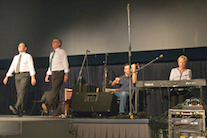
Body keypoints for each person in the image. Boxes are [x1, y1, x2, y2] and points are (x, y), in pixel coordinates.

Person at [3, 42, 36, 116]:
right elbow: (12, 67)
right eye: (19, 46)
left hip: (25, 75)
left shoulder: (28, 56)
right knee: (19, 94)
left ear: (25, 48)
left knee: (21, 92)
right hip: (17, 75)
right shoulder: (16, 57)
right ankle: (21, 111)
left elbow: (31, 67)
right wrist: (7, 76)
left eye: (21, 46)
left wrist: (32, 77)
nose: (19, 47)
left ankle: (16, 107)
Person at [44, 38, 69, 116]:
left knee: (54, 91)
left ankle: (47, 105)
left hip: (59, 72)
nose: (53, 43)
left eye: (55, 42)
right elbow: (51, 65)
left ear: (59, 44)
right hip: (53, 73)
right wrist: (48, 74)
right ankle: (57, 112)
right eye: (52, 42)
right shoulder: (52, 54)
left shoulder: (62, 52)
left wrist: (66, 73)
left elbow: (65, 62)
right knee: (56, 92)